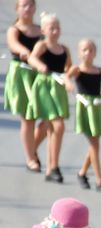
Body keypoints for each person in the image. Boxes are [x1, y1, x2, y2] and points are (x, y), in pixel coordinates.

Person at [26, 11, 69, 184]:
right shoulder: (42, 46)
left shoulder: (63, 49)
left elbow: (68, 67)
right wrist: (41, 66)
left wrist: (69, 77)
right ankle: (53, 166)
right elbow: (31, 59)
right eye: (51, 28)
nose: (55, 31)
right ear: (43, 30)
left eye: (57, 28)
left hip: (57, 88)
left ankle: (46, 162)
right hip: (44, 87)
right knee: (57, 125)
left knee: (50, 127)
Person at [5, 0, 43, 173]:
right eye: (24, 5)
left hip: (40, 75)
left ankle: (31, 147)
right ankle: (30, 159)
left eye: (31, 5)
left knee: (51, 118)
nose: (28, 9)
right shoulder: (14, 30)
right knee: (28, 118)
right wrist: (26, 53)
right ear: (17, 9)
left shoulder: (40, 30)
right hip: (23, 74)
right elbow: (14, 44)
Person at [68, 37, 101, 191]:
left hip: (95, 107)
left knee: (94, 143)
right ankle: (99, 180)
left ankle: (82, 172)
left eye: (91, 50)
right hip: (84, 106)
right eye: (84, 50)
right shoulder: (77, 69)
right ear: (79, 53)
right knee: (94, 144)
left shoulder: (100, 71)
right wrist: (69, 85)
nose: (88, 53)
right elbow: (67, 77)